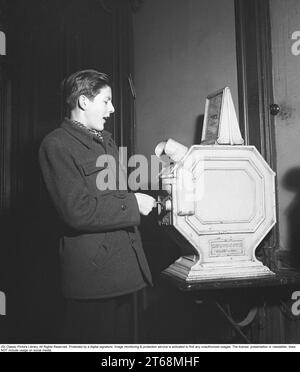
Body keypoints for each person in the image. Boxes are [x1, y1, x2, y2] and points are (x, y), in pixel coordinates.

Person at [39, 69, 156, 343]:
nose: (112, 109)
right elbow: (76, 211)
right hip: (94, 280)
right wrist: (133, 203)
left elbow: (112, 197)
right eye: (106, 101)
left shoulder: (105, 142)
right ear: (83, 101)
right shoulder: (56, 144)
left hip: (125, 273)